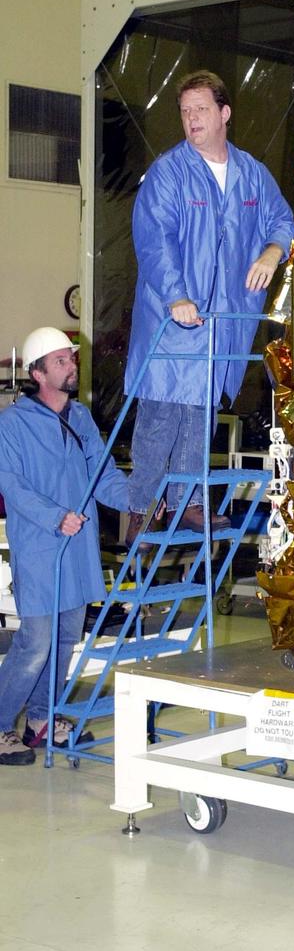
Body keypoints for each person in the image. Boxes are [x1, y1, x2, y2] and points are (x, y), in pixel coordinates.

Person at [124, 70, 294, 545]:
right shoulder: (168, 173)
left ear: (224, 114)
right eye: (185, 111)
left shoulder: (251, 174)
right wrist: (176, 296)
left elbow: (283, 221)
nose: (192, 118)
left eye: (201, 109)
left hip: (222, 322)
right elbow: (155, 240)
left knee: (199, 414)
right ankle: (142, 508)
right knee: (162, 413)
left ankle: (189, 502)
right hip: (173, 317)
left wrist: (272, 252)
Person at [0, 328, 129, 765]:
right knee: (36, 642)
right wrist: (55, 516)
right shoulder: (12, 424)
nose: (71, 365)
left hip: (77, 549)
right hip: (40, 546)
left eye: (71, 358)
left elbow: (103, 475)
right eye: (60, 361)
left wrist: (138, 500)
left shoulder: (82, 418)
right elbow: (11, 485)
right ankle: (0, 725)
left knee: (65, 639)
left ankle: (41, 718)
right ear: (37, 373)